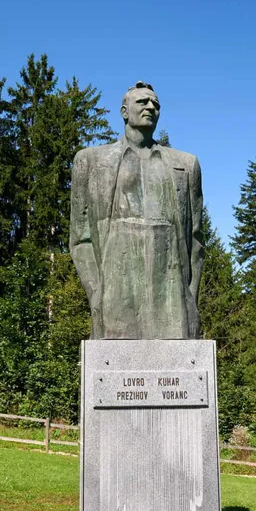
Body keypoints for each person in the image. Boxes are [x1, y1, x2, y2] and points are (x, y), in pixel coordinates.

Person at [70, 81, 204, 339]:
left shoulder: (185, 165)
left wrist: (190, 297)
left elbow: (196, 241)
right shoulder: (91, 161)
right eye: (143, 102)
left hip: (174, 304)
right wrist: (97, 292)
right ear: (124, 111)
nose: (151, 107)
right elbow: (80, 239)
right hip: (114, 305)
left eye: (156, 104)